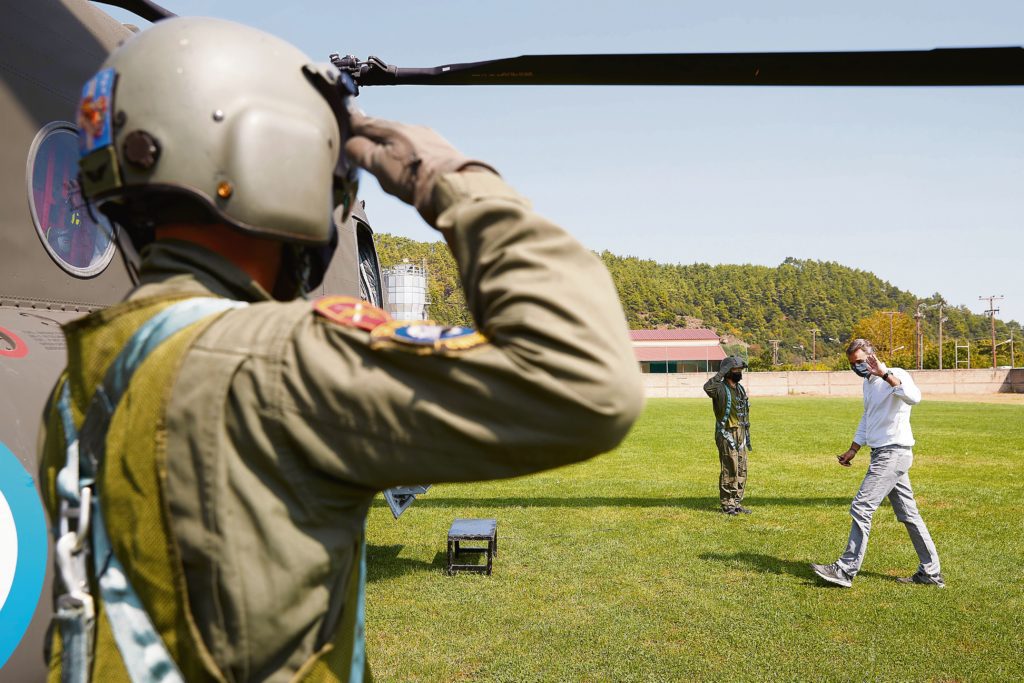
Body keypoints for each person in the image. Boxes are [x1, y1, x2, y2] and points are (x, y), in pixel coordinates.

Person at [38, 17, 644, 682]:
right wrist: (444, 175)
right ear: (272, 161)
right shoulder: (275, 363)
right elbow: (588, 379)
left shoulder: (81, 381)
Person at [811, 339, 943, 589]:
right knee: (909, 515)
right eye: (852, 364)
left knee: (862, 506)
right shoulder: (868, 384)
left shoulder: (896, 374)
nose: (857, 367)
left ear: (873, 356)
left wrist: (885, 374)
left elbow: (914, 397)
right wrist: (853, 448)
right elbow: (868, 417)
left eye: (860, 361)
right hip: (884, 453)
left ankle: (845, 569)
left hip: (893, 453)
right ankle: (931, 572)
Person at [703, 355, 751, 515]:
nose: (739, 372)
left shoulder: (740, 388)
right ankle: (727, 504)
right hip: (727, 433)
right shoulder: (719, 388)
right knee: (729, 468)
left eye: (740, 370)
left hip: (741, 433)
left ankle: (736, 502)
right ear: (728, 371)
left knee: (741, 468)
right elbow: (707, 387)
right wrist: (721, 372)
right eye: (736, 369)